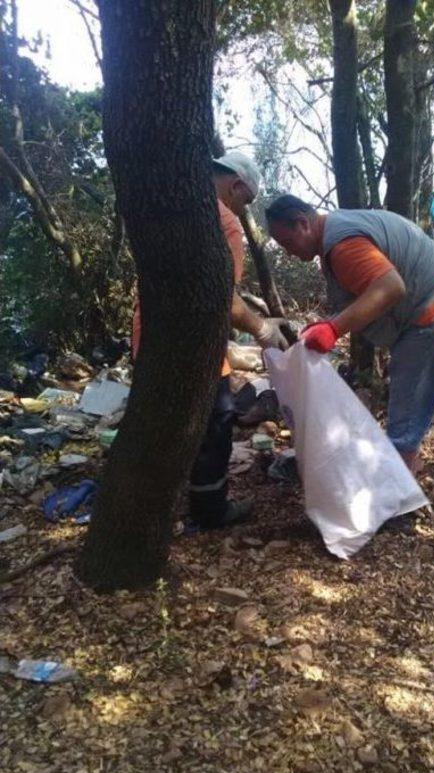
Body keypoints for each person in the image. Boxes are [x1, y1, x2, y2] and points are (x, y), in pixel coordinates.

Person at [132, 152, 292, 528]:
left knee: (159, 422)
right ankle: (209, 510)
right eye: (246, 200)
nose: (243, 207)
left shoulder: (172, 207)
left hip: (151, 334)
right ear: (236, 186)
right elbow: (220, 296)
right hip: (195, 346)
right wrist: (261, 328)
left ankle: (144, 509)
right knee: (217, 421)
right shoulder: (224, 221)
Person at [264, 194, 434, 474]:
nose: (289, 252)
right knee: (407, 393)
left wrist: (334, 328)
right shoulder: (337, 229)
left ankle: (397, 491)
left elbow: (390, 287)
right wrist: (330, 322)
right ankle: (404, 466)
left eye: (287, 243)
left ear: (303, 224)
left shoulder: (342, 246)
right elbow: (364, 291)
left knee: (408, 401)